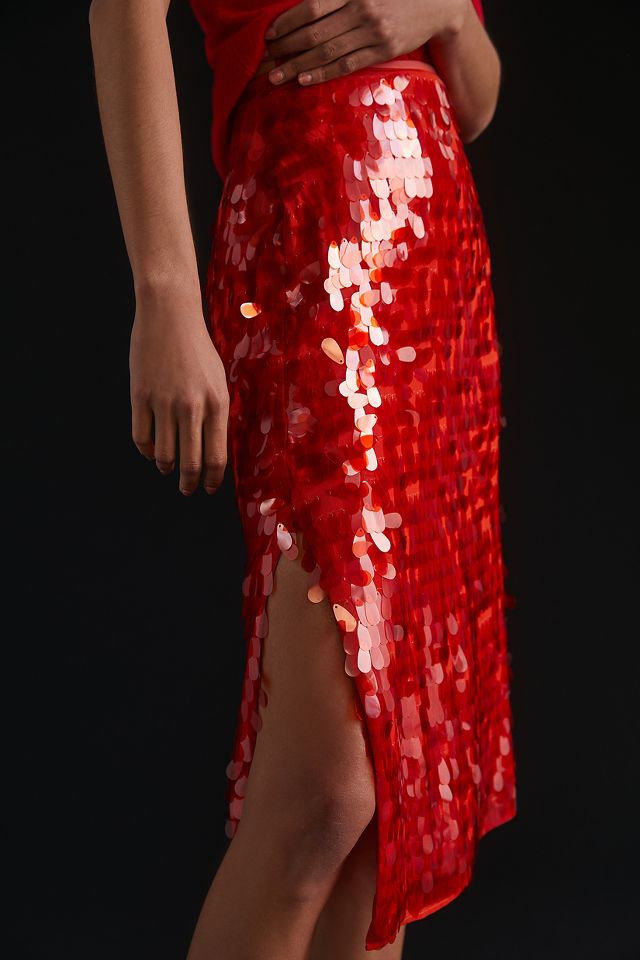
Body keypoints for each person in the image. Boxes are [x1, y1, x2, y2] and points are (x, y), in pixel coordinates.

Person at [89, 1, 517, 957]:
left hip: (433, 259)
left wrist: (446, 11)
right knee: (328, 794)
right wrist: (164, 292)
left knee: (382, 815)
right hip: (313, 228)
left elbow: (477, 98)